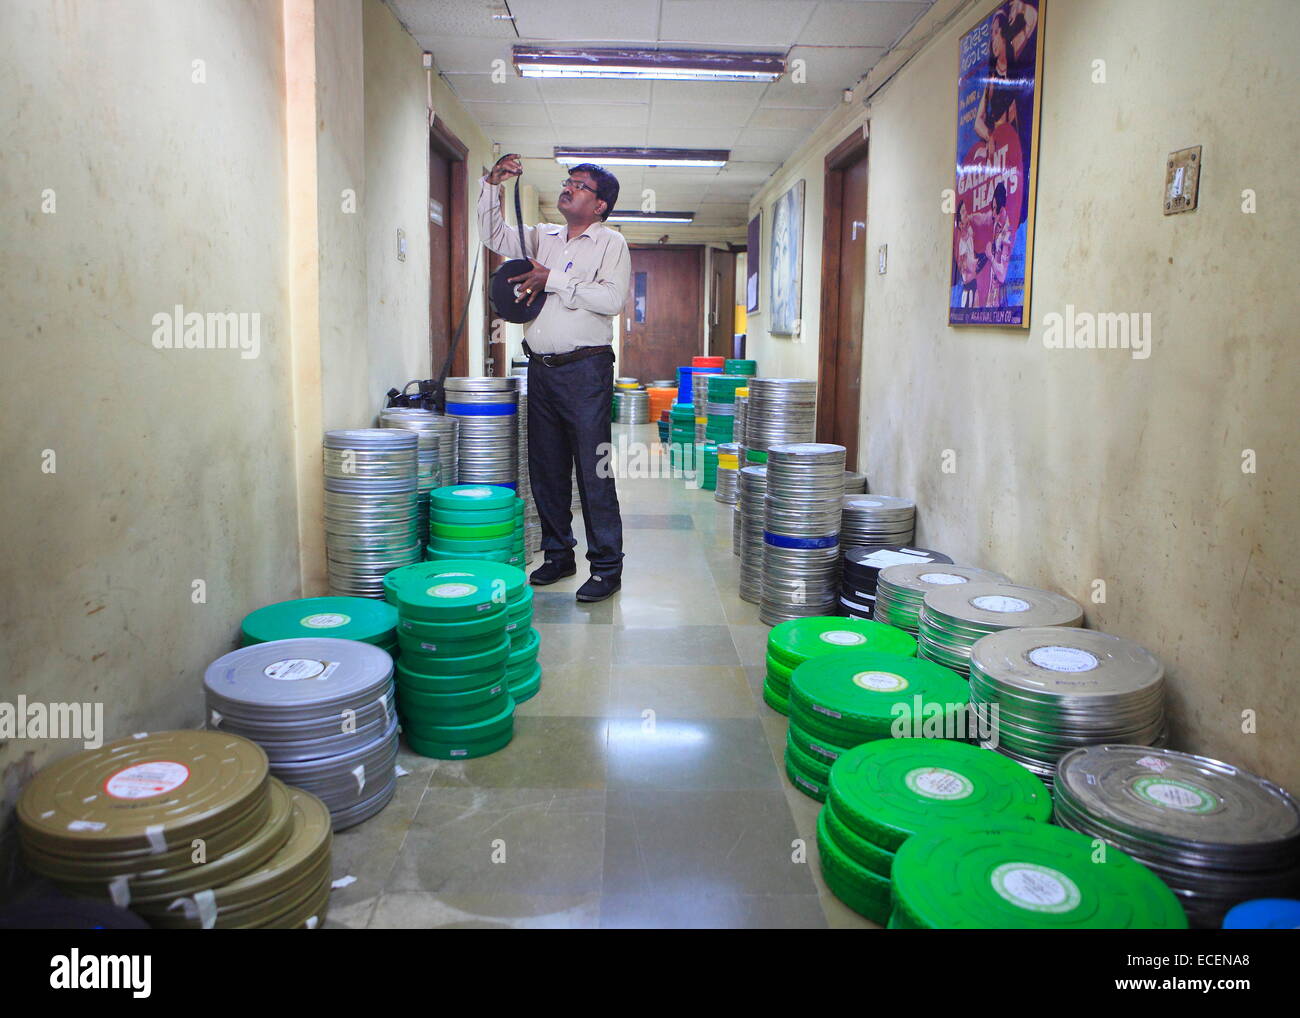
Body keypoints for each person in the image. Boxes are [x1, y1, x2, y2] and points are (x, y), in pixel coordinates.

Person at [478, 154, 630, 602]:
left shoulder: (610, 243)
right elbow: (493, 233)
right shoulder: (542, 236)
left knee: (593, 469)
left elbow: (613, 299)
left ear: (600, 205)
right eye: (568, 181)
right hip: (540, 371)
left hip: (587, 371)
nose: (568, 188)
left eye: (580, 185)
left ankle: (606, 567)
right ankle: (558, 555)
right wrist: (492, 185)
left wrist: (554, 280)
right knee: (545, 469)